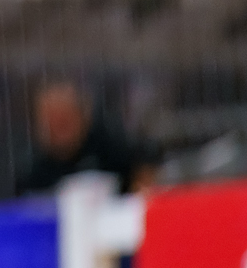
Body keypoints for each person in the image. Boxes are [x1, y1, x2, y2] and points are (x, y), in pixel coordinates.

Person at [16, 79, 160, 195]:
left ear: (82, 116)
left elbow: (146, 158)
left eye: (65, 119)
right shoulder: (32, 168)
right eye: (51, 121)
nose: (58, 128)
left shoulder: (108, 146)